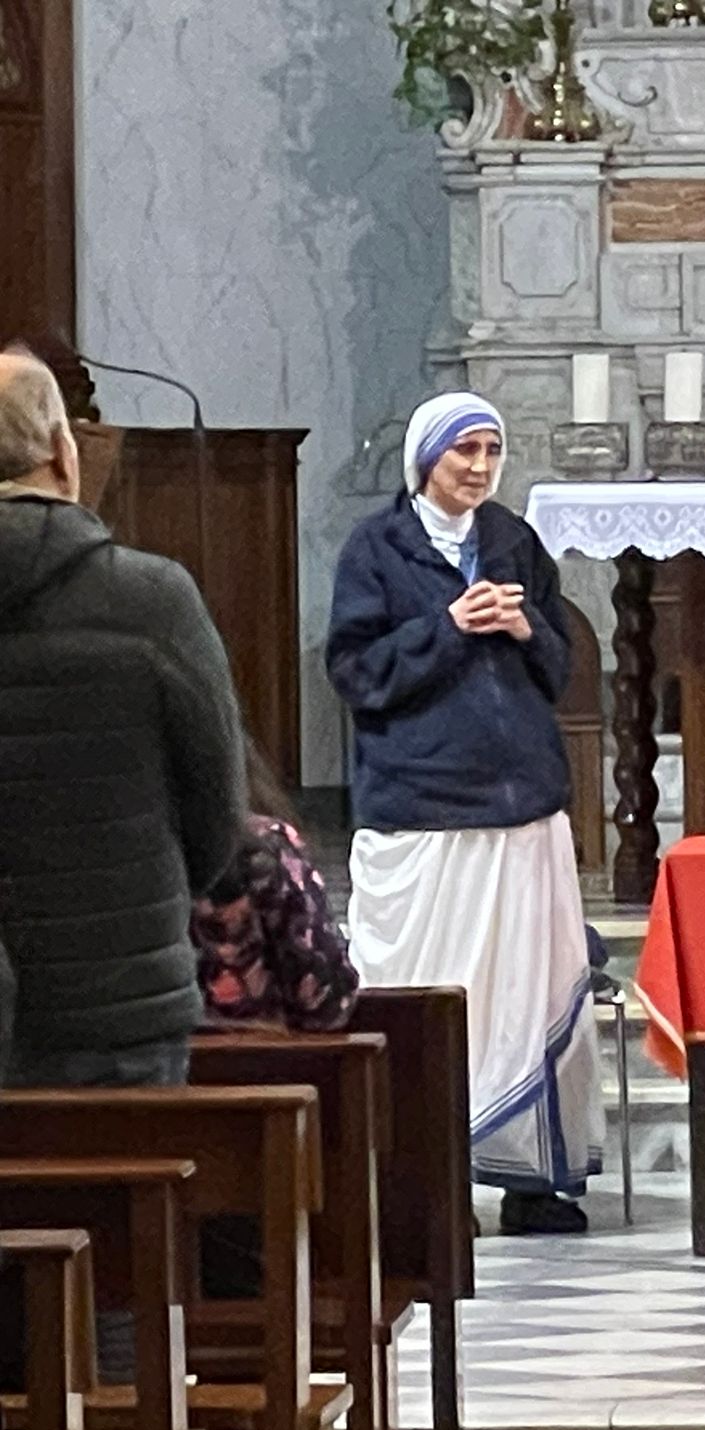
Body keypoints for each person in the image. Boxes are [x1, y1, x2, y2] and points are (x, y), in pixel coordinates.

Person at [326, 390, 601, 1236]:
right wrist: (448, 625)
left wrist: (523, 629)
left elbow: (559, 669)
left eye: (491, 451)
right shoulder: (377, 548)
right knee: (425, 995)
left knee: (530, 994)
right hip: (423, 808)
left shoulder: (514, 540)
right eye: (463, 453)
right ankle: (423, 1183)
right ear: (425, 462)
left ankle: (532, 1179)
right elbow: (357, 672)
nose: (479, 468)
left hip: (522, 805)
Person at [0, 346, 246, 1087]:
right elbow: (217, 812)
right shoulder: (150, 600)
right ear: (63, 455)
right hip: (121, 1008)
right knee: (120, 1202)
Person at [191, 738, 359, 1033]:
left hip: (142, 1068)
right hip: (264, 1068)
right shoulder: (263, 845)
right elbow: (325, 997)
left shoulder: (118, 853)